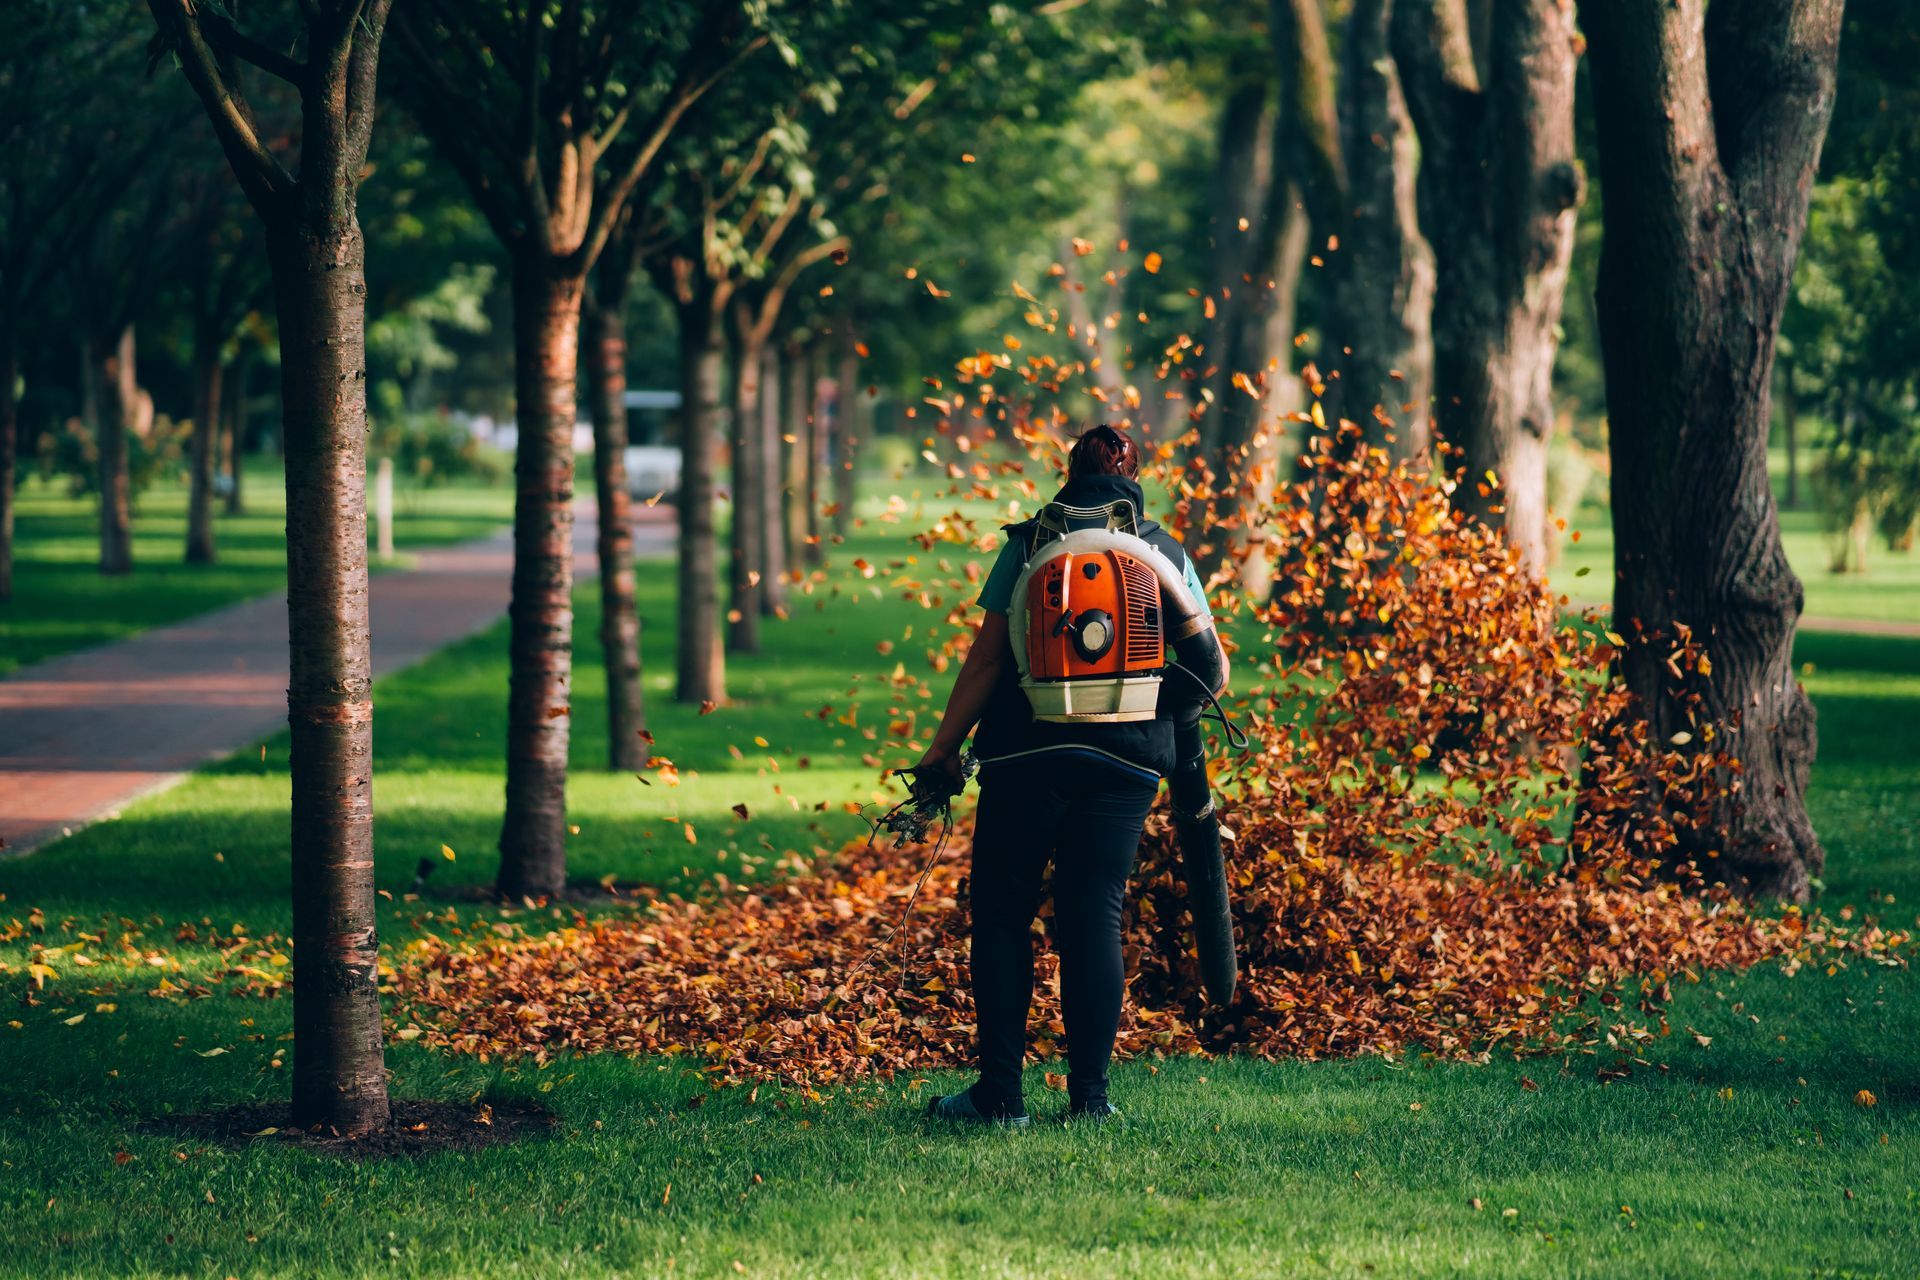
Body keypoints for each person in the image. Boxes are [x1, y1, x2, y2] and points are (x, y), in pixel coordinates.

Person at [915, 424, 1219, 1126]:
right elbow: (1213, 670)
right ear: (1135, 476)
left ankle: (1000, 1096)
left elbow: (989, 660)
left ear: (1068, 473)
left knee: (1002, 913)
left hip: (1027, 756)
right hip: (1126, 763)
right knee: (1094, 918)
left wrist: (942, 751)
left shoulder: (1027, 545)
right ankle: (1090, 1099)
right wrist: (1153, 716)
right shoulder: (1163, 552)